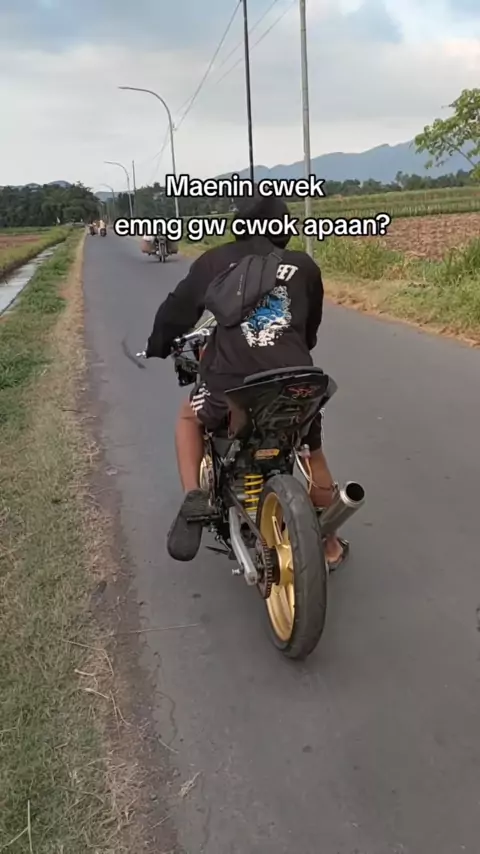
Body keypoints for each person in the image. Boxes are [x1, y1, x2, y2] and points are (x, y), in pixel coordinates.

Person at [145, 193, 348, 571]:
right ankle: (330, 543)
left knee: (188, 417)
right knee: (310, 449)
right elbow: (309, 330)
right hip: (296, 383)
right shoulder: (304, 266)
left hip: (232, 390)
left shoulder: (213, 262)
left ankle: (193, 496)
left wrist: (157, 344)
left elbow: (175, 312)